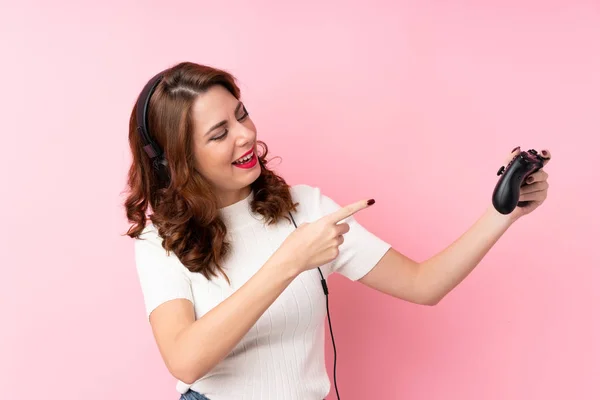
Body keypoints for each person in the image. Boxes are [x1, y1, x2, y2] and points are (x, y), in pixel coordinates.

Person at [123, 61, 551, 400]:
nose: (246, 135)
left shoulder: (306, 208)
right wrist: (289, 261)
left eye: (242, 115)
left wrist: (505, 213)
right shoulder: (158, 241)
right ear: (177, 160)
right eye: (220, 134)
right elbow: (185, 360)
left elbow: (425, 284)